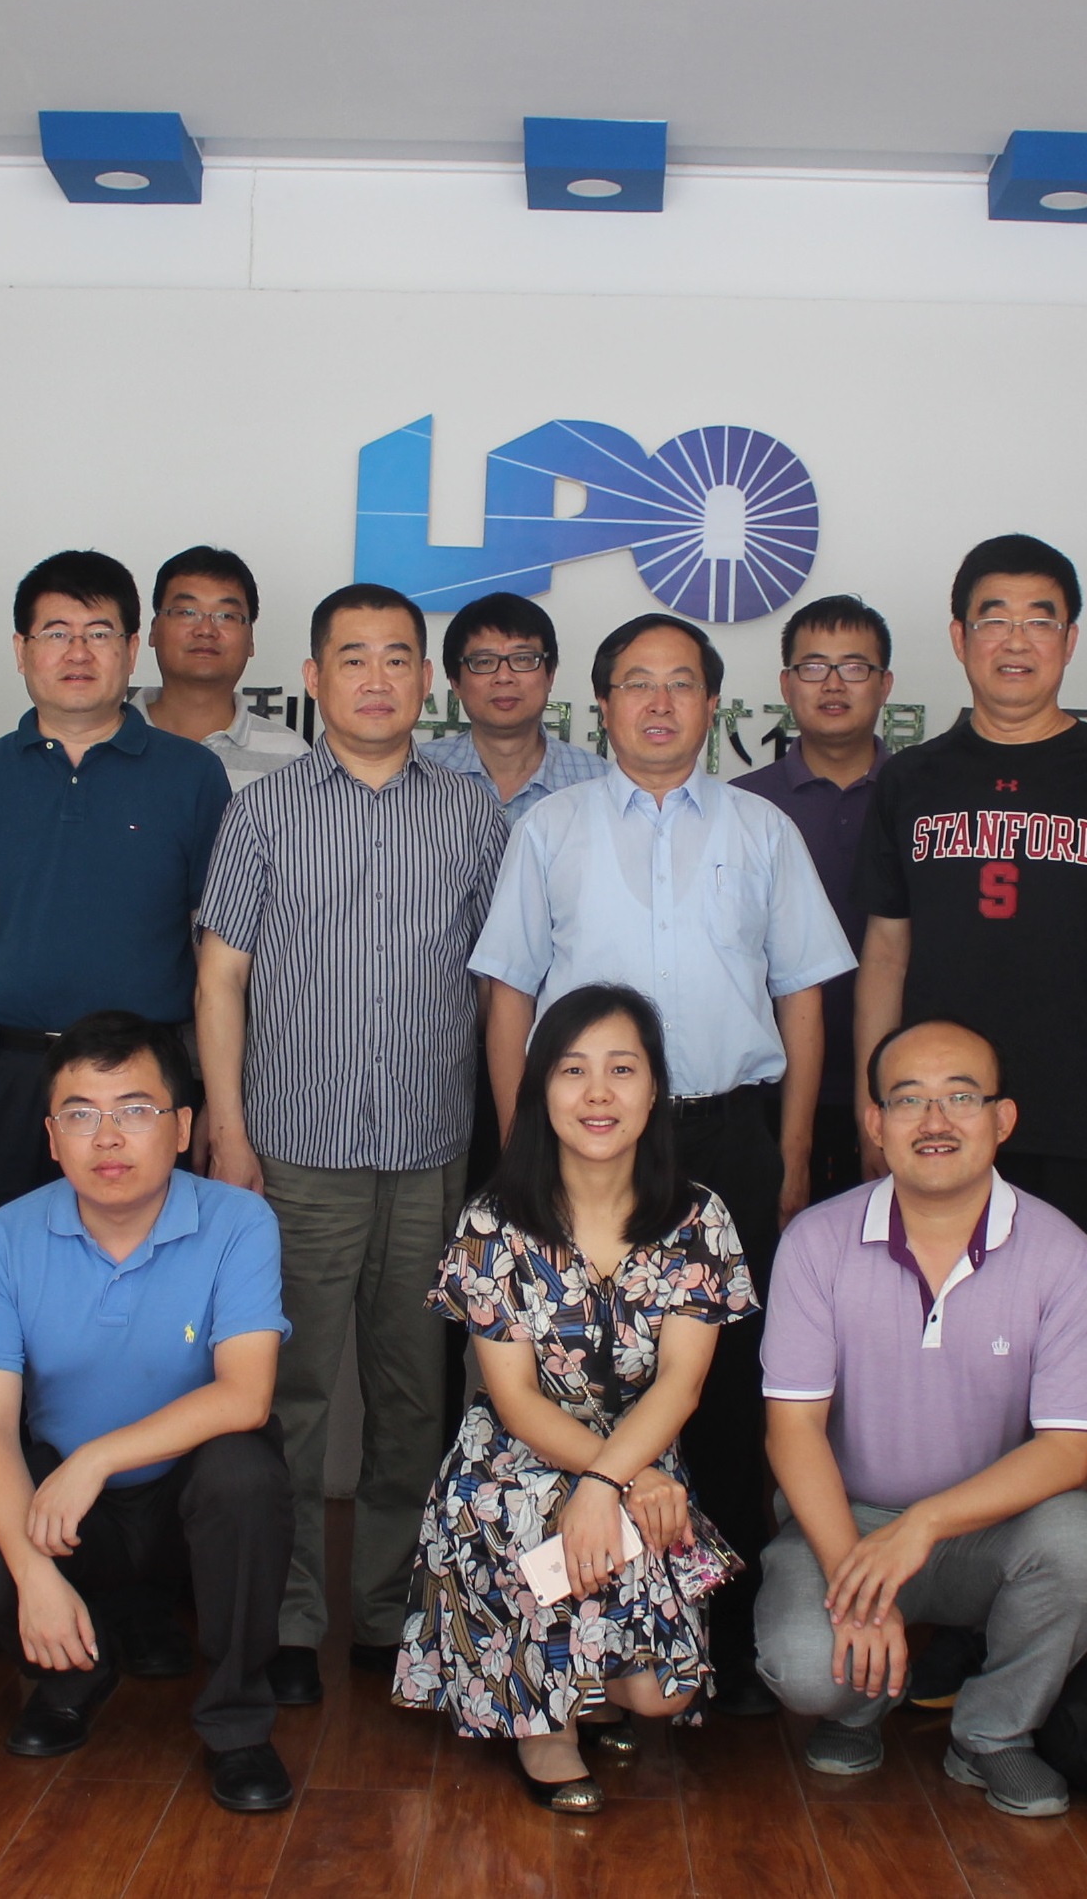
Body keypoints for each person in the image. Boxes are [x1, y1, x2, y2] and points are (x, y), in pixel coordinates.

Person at [470, 611, 854, 1715]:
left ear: (713, 703)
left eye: (680, 682)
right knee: (576, 1378)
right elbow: (508, 994)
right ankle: (574, 1635)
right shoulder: (550, 828)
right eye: (635, 682)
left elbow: (801, 996)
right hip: (583, 1143)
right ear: (600, 704)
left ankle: (714, 1639)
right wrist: (521, 1152)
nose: (657, 702)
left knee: (726, 1391)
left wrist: (788, 1155)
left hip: (726, 1134)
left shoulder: (762, 829)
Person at [196, 583, 509, 1704]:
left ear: (426, 679)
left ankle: (389, 1613)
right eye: (353, 658)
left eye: (397, 658)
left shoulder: (473, 814)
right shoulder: (263, 811)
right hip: (294, 1154)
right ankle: (287, 1620)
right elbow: (219, 979)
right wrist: (228, 1133)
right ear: (313, 678)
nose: (376, 679)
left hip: (430, 1155)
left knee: (414, 1398)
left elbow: (499, 987)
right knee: (288, 1398)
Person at [0, 549, 233, 1552]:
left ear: (133, 648)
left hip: (142, 1091)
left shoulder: (190, 776)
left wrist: (215, 1105)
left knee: (149, 1329)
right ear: (19, 650)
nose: (76, 652)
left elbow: (217, 957)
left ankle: (140, 1571)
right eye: (54, 632)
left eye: (98, 633)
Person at [394, 985, 754, 1812]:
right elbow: (515, 1399)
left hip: (636, 1457)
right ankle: (543, 1724)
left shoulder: (698, 1217)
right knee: (526, 1505)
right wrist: (611, 1478)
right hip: (512, 1463)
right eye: (571, 1069)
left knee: (661, 1694)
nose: (598, 1093)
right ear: (539, 1091)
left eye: (621, 1069)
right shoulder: (492, 1221)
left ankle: (588, 1684)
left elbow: (682, 1384)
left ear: (654, 1089)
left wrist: (609, 1480)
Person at [757, 1017, 1087, 1819]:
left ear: (1003, 1118)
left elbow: (1069, 1452)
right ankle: (856, 1707)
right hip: (846, 1522)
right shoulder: (816, 1242)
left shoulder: (1063, 1253)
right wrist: (859, 1573)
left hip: (989, 1529)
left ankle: (992, 1733)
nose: (934, 1120)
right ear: (873, 1122)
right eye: (907, 1099)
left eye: (961, 1097)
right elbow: (792, 1430)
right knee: (804, 1665)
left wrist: (922, 1524)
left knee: (1084, 1544)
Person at [0, 1013, 301, 1813]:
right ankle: (73, 1674)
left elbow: (245, 1394)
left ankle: (237, 1724)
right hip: (77, 1511)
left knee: (245, 1473)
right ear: (50, 1137)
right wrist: (34, 1574)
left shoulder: (238, 1221)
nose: (107, 1137)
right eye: (80, 1114)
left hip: (185, 1494)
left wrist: (96, 1458)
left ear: (181, 1128)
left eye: (135, 1110)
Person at [853, 535, 1087, 1295]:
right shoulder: (911, 779)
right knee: (930, 1333)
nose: (1015, 640)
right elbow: (885, 955)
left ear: (1069, 640)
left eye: (1040, 620)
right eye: (993, 618)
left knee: (1062, 1338)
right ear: (959, 637)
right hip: (936, 1121)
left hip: (1084, 1121)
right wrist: (874, 1105)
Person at [733, 594, 897, 1208]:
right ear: (786, 684)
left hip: (901, 1088)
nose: (833, 684)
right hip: (767, 1092)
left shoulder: (922, 798)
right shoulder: (743, 807)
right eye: (813, 667)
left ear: (884, 685)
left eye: (853, 667)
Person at [418, 590, 608, 824]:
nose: (504, 677)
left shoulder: (600, 782)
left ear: (550, 675)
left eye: (522, 659)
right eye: (484, 662)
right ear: (455, 682)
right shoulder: (414, 773)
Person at [136, 544, 308, 790]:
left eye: (226, 616)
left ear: (251, 639)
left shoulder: (291, 759)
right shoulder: (103, 738)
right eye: (187, 612)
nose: (206, 630)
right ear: (153, 630)